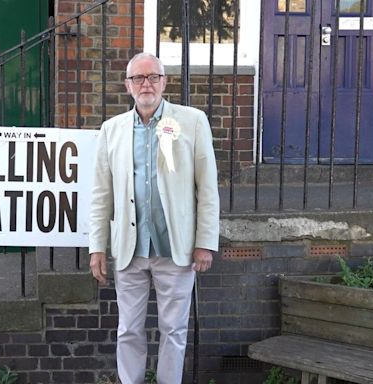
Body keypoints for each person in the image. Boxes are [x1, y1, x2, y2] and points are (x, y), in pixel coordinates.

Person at [88, 52, 220, 384]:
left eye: (153, 77)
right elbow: (101, 194)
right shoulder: (111, 130)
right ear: (127, 85)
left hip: (175, 248)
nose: (146, 84)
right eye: (138, 78)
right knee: (128, 329)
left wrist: (205, 242)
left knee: (173, 330)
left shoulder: (191, 121)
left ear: (164, 81)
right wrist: (97, 247)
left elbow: (207, 187)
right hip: (129, 249)